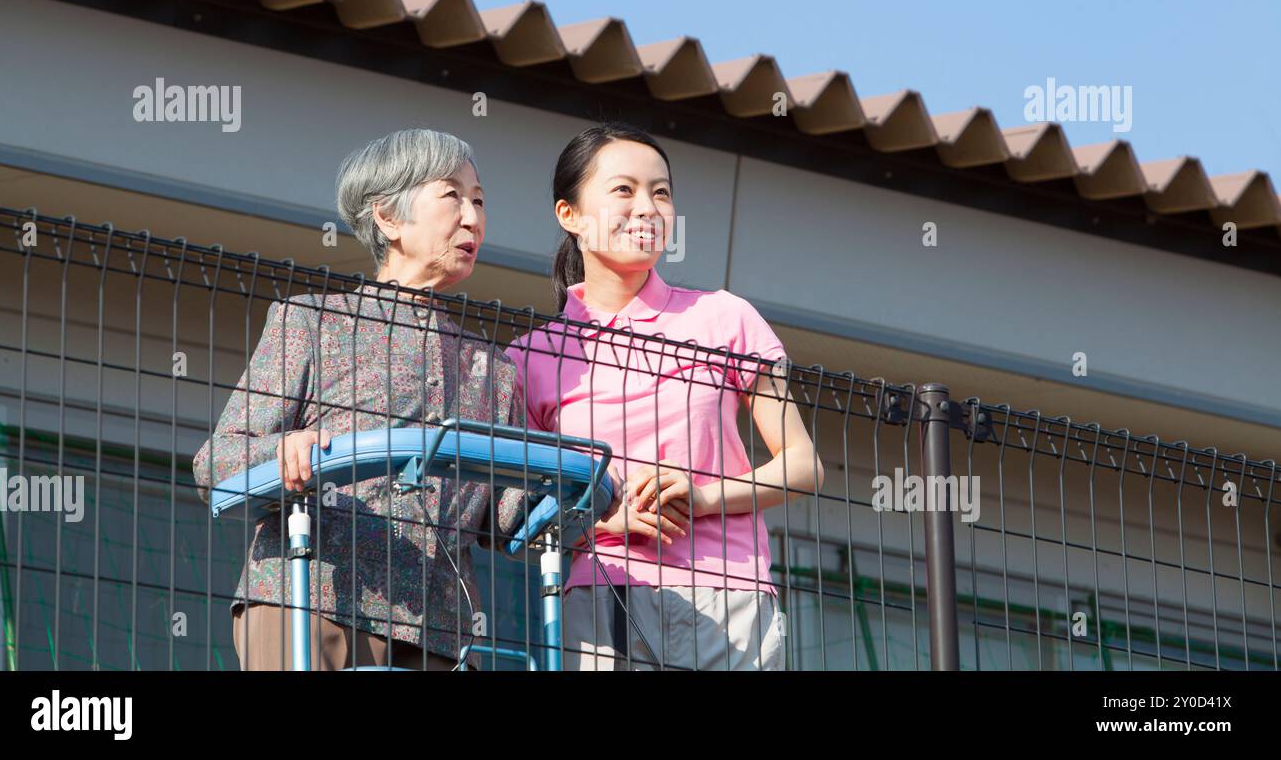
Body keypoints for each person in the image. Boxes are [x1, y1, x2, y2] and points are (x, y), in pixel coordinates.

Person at [192, 128, 530, 670]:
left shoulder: (495, 369)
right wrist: (286, 450)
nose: (472, 217)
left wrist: (590, 503)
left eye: (479, 200)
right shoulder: (312, 321)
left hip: (436, 633)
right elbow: (215, 462)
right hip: (309, 600)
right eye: (452, 195)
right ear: (388, 217)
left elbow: (502, 516)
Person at [507, 123, 824, 670]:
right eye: (623, 190)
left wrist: (700, 498)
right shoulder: (531, 356)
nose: (648, 207)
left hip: (729, 594)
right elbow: (518, 516)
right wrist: (608, 520)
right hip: (599, 596)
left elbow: (803, 467)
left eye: (661, 192)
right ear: (570, 215)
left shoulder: (727, 317)